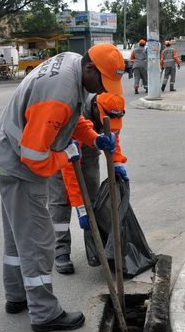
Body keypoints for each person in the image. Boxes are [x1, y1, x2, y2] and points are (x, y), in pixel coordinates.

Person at [0, 43, 124, 332]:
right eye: (101, 82)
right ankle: (44, 312)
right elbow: (35, 157)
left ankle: (16, 297)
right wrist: (66, 155)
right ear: (89, 69)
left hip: (4, 152)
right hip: (18, 164)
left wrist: (92, 138)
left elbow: (70, 119)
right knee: (38, 238)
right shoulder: (60, 94)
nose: (101, 91)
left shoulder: (73, 64)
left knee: (17, 235)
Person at [49, 93, 128, 274]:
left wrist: (116, 161)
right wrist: (79, 207)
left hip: (90, 154)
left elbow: (113, 138)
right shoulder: (76, 114)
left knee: (94, 202)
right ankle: (60, 251)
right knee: (61, 201)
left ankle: (96, 248)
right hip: (62, 157)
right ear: (95, 108)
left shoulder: (112, 109)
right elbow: (70, 171)